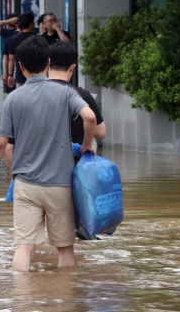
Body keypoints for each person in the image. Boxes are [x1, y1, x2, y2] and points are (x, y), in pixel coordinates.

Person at [0, 36, 97, 271]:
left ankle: (23, 300)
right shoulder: (65, 93)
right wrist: (87, 144)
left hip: (26, 185)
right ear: (48, 63)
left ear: (21, 67)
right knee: (65, 249)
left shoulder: (13, 99)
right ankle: (64, 300)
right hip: (60, 184)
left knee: (23, 247)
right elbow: (90, 117)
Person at [48, 41, 106, 239]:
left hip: (38, 171)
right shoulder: (81, 95)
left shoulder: (30, 94)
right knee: (73, 228)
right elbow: (101, 131)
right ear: (73, 67)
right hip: (74, 169)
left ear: (47, 64)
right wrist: (86, 143)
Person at [7, 12, 37, 89]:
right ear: (31, 24)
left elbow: (11, 59)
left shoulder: (14, 39)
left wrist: (10, 75)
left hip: (20, 75)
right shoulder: (37, 39)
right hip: (36, 75)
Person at [0, 14, 19, 94]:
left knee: (10, 93)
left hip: (9, 68)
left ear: (8, 25)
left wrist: (5, 73)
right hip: (19, 67)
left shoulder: (8, 33)